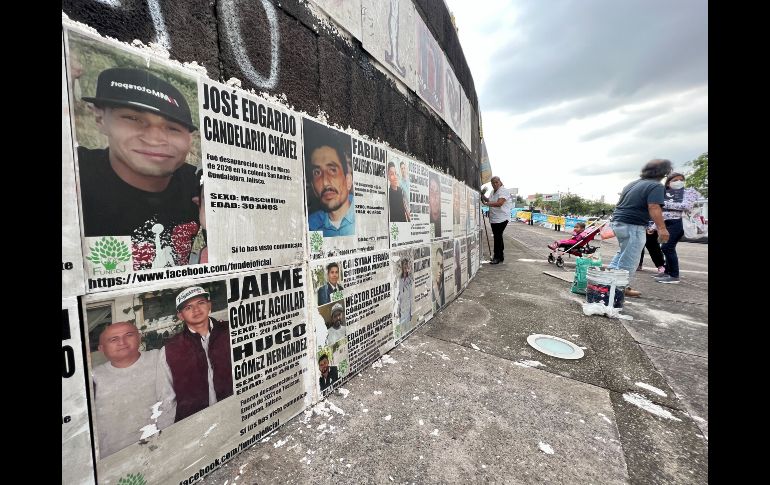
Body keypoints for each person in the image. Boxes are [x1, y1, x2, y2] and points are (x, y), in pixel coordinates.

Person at [78, 67, 201, 271]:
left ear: (190, 139)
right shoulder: (77, 173)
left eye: (173, 128)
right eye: (133, 118)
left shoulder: (199, 185)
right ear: (100, 118)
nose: (154, 139)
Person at [92, 321, 176, 459]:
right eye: (114, 339)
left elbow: (169, 403)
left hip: (162, 445)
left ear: (139, 338)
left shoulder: (158, 358)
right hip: (114, 456)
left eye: (129, 335)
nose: (122, 342)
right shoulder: (94, 378)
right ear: (101, 348)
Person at [163, 286, 233, 422]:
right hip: (196, 422)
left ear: (209, 305)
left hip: (233, 413)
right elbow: (167, 398)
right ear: (180, 315)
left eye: (201, 303)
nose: (196, 310)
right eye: (188, 307)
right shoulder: (170, 349)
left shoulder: (232, 331)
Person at [607, 159, 671, 297]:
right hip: (633, 224)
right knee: (630, 258)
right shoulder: (656, 186)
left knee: (623, 253)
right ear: (664, 172)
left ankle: (607, 282)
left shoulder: (632, 184)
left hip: (619, 221)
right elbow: (654, 206)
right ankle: (620, 287)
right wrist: (662, 228)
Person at [304, 119, 355, 237]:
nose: (325, 181)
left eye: (332, 170)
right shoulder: (310, 226)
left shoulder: (363, 215)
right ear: (313, 187)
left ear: (348, 181)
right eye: (317, 172)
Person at [655, 172, 702, 284]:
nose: (679, 182)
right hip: (666, 223)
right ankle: (667, 272)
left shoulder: (688, 192)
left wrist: (664, 204)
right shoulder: (665, 193)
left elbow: (687, 206)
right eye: (675, 180)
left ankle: (674, 275)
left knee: (668, 248)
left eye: (681, 180)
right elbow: (660, 211)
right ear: (668, 183)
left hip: (678, 222)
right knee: (665, 247)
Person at [480, 176, 512, 264]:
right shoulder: (492, 191)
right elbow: (489, 200)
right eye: (493, 183)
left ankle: (496, 257)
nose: (495, 184)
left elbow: (499, 203)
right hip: (494, 218)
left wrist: (487, 203)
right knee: (498, 236)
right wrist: (482, 196)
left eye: (496, 182)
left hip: (502, 218)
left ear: (500, 182)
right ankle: (500, 256)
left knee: (497, 236)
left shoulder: (503, 191)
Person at [396, 257, 413, 327]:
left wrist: (411, 312)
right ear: (402, 266)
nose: (406, 267)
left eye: (407, 264)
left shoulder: (410, 279)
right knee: (402, 325)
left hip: (408, 307)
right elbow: (398, 295)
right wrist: (398, 309)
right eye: (404, 264)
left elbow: (411, 296)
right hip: (401, 307)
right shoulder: (399, 279)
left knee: (407, 325)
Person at [429, 172, 442, 237]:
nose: (435, 197)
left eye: (437, 192)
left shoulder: (442, 221)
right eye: (431, 191)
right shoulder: (428, 221)